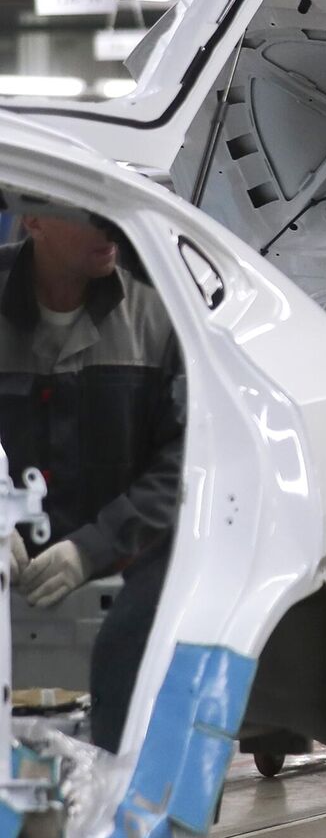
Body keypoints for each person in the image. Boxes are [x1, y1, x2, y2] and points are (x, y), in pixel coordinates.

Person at [0, 208, 182, 751]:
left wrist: (96, 545)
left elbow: (187, 458)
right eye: (88, 213)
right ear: (34, 219)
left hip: (129, 569)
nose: (110, 228)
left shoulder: (160, 310)